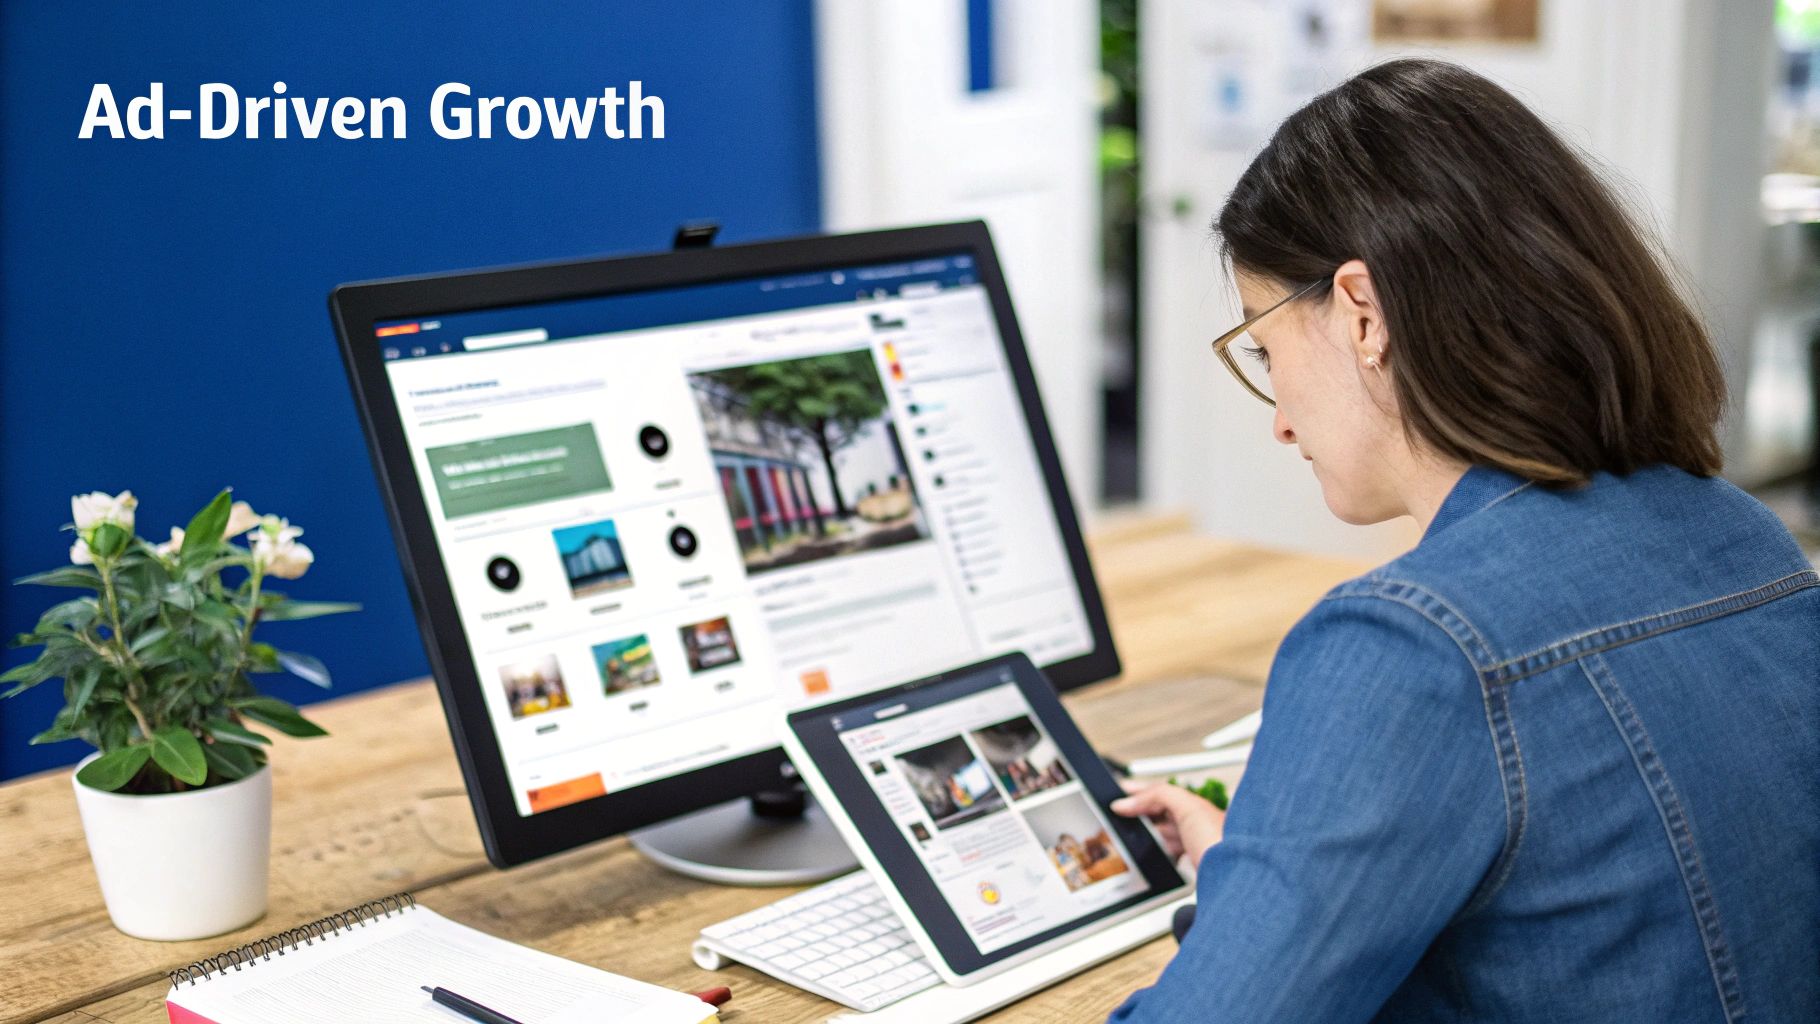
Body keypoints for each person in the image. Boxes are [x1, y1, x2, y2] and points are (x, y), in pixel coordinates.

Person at [1108, 58, 1818, 1023]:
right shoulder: (1745, 537)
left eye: (1267, 349)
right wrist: (1285, 870)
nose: (1278, 421)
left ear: (1364, 314)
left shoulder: (1411, 646)